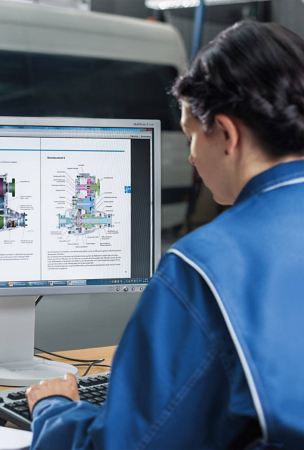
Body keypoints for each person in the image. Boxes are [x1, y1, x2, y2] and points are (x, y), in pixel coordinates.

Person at [25, 21, 304, 449]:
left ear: (227, 135)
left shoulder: (205, 265)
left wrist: (55, 409)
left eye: (191, 134)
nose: (191, 157)